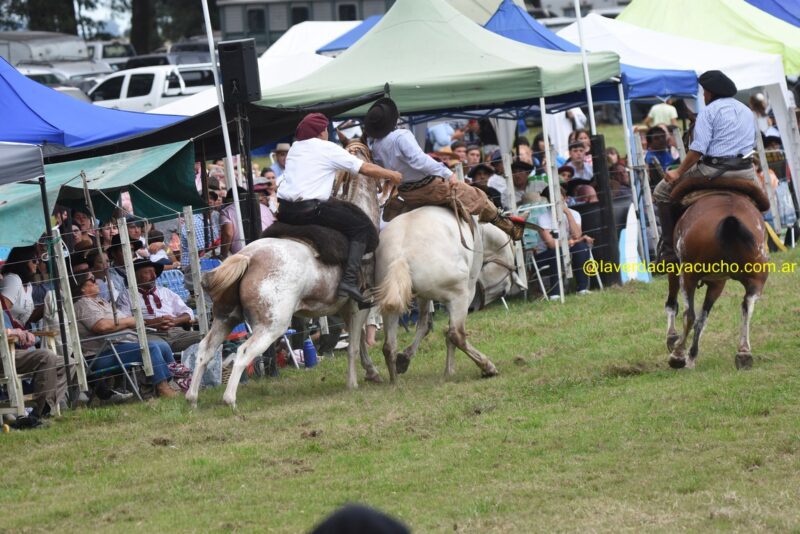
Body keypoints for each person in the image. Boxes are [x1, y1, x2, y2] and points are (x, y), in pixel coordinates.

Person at [277, 112, 402, 304]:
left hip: (285, 211)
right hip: (310, 210)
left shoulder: (295, 148)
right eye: (326, 130)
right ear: (321, 132)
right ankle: (349, 281)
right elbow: (365, 168)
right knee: (361, 227)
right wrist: (392, 174)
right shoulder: (326, 148)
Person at [366, 97, 532, 241]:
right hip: (430, 187)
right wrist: (447, 173)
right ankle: (511, 228)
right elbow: (419, 160)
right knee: (476, 196)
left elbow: (384, 169)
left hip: (407, 194)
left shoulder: (376, 146)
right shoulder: (401, 136)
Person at [655, 70, 757, 263]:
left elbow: (697, 150)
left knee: (661, 192)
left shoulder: (708, 113)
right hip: (745, 172)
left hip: (712, 171)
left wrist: (678, 172)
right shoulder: (746, 111)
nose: (703, 96)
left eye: (704, 92)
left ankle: (668, 252)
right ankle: (761, 241)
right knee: (763, 201)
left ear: (710, 93)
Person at [72, 271, 178, 398]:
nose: (97, 282)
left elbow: (126, 321)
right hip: (100, 354)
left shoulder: (101, 301)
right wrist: (129, 321)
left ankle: (175, 383)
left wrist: (135, 322)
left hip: (118, 346)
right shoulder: (82, 304)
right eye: (92, 280)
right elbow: (102, 326)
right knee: (150, 348)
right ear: (82, 288)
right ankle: (162, 388)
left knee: (163, 346)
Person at [534, 186, 593, 299]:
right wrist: (571, 241)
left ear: (565, 198)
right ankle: (555, 293)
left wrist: (568, 213)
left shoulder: (575, 214)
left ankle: (582, 288)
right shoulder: (543, 218)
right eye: (554, 201)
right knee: (557, 251)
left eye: (560, 200)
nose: (557, 204)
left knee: (581, 247)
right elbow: (551, 244)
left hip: (568, 250)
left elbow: (577, 235)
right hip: (546, 254)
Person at [133, 259, 202, 352]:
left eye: (154, 272)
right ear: (135, 276)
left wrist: (175, 320)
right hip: (148, 334)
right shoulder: (128, 295)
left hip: (176, 332)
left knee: (207, 337)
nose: (153, 276)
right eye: (147, 273)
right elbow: (125, 321)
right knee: (160, 347)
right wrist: (152, 323)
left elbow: (188, 313)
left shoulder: (165, 291)